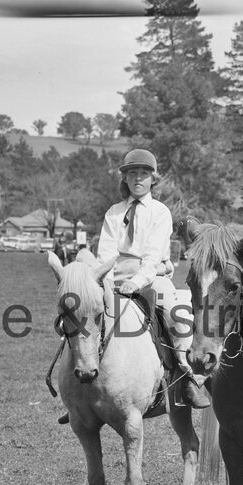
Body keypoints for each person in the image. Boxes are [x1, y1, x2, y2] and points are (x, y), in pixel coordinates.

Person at [93, 149, 209, 409]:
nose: (137, 179)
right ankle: (79, 386)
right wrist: (107, 283)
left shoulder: (160, 212)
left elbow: (153, 255)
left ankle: (187, 376)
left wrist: (137, 281)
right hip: (116, 275)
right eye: (132, 173)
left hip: (152, 274)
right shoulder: (113, 212)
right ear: (124, 178)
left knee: (176, 315)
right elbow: (106, 253)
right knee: (82, 312)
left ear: (153, 179)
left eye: (143, 174)